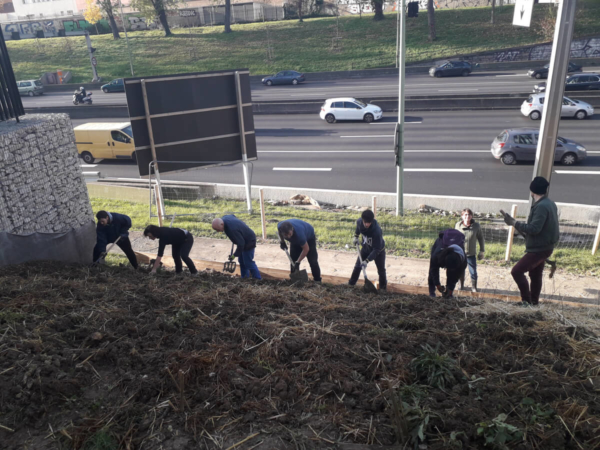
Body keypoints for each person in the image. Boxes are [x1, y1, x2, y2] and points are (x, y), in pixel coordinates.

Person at [501, 176, 559, 306]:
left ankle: (526, 301)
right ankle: (534, 303)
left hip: (539, 248)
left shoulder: (541, 207)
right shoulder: (550, 203)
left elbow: (534, 229)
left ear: (532, 191)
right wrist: (515, 224)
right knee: (535, 274)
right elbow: (542, 228)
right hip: (544, 246)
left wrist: (514, 222)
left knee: (517, 271)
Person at [212, 215, 261, 279]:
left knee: (248, 262)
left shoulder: (232, 230)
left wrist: (234, 255)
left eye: (218, 229)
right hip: (242, 238)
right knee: (241, 261)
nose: (218, 231)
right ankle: (244, 277)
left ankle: (258, 279)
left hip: (249, 241)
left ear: (222, 224)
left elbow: (241, 244)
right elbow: (232, 215)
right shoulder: (225, 218)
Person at [348, 209, 387, 290]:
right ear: (363, 220)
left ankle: (383, 289)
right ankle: (351, 284)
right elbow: (358, 228)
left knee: (381, 271)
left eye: (369, 223)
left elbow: (377, 249)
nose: (367, 224)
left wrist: (367, 261)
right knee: (357, 266)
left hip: (378, 251)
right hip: (365, 248)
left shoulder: (377, 231)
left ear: (372, 221)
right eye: (365, 222)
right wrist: (356, 236)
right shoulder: (359, 222)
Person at [428, 230, 467, 299]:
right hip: (440, 248)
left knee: (452, 274)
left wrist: (450, 289)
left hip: (454, 261)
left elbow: (456, 276)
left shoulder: (463, 262)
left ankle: (449, 293)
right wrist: (437, 284)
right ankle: (431, 293)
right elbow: (433, 269)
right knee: (432, 271)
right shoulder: (437, 255)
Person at [455, 208, 485, 292]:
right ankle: (461, 285)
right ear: (462, 216)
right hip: (460, 253)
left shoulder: (476, 226)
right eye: (465, 215)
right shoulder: (458, 225)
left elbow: (481, 238)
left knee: (473, 271)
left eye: (469, 215)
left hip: (471, 254)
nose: (467, 216)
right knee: (460, 270)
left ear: (471, 216)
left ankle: (474, 287)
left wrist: (482, 251)